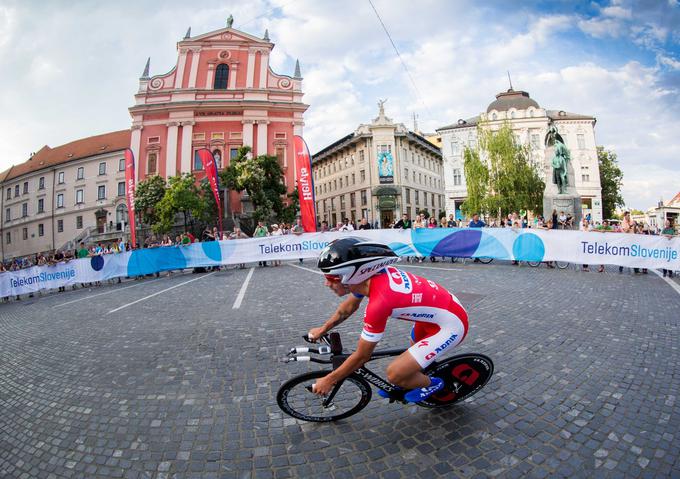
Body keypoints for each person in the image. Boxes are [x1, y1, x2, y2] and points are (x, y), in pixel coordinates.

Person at [308, 238, 468, 403]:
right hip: (435, 316)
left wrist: (330, 379)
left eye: (331, 278)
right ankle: (412, 378)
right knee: (411, 364)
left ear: (351, 276)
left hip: (451, 325)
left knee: (395, 374)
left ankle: (433, 383)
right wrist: (323, 329)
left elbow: (362, 356)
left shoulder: (379, 303)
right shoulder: (367, 278)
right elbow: (347, 309)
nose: (327, 284)